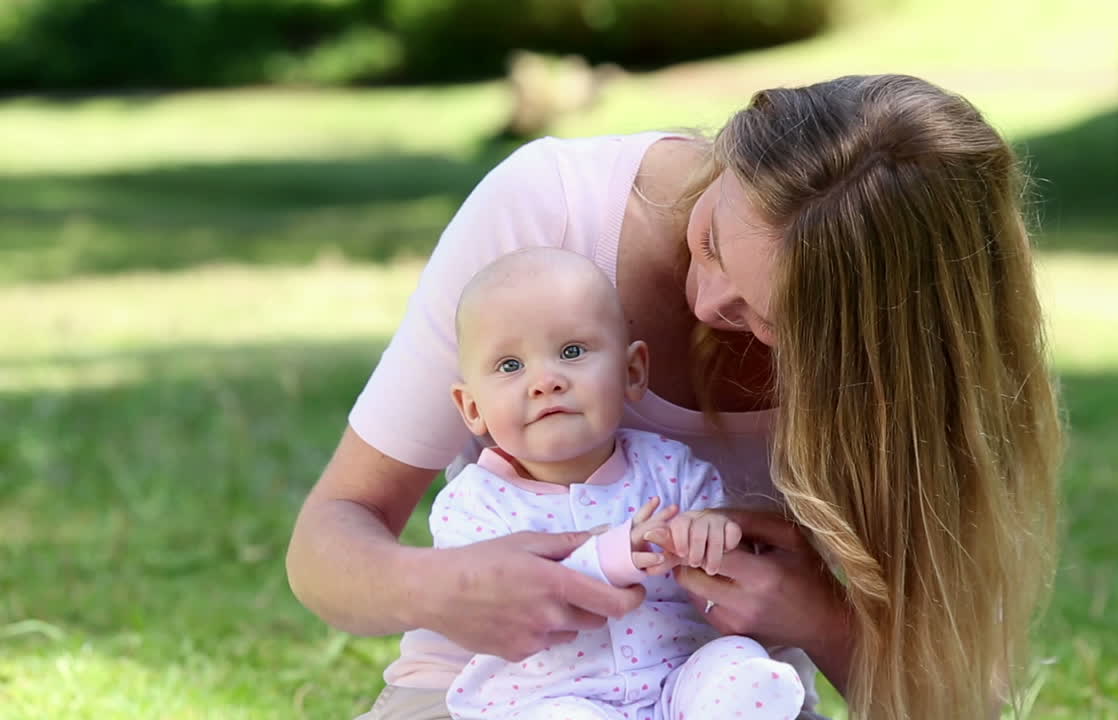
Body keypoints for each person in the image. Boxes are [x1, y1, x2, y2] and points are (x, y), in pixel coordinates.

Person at [287, 73, 1063, 720]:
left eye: (768, 317)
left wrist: (817, 620)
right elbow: (327, 540)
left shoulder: (907, 384)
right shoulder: (549, 213)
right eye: (713, 241)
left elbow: (958, 700)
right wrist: (441, 587)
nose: (706, 301)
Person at [431, 247, 811, 720]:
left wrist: (709, 536)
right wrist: (615, 554)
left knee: (739, 669)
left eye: (572, 352)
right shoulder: (471, 505)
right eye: (510, 365)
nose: (545, 381)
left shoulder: (669, 468)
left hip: (679, 681)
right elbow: (502, 598)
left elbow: (726, 571)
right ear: (472, 408)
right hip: (546, 698)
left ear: (632, 372)